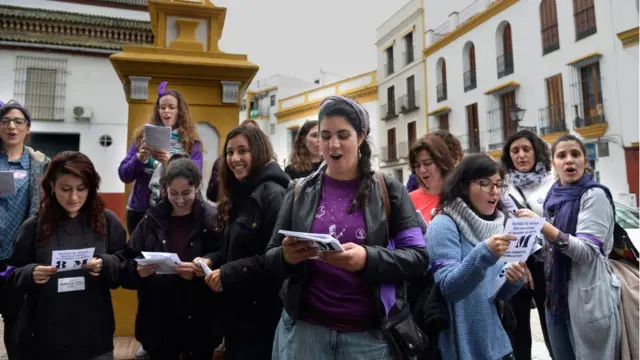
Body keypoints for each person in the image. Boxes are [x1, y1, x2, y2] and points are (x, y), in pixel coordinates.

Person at [264, 95, 428, 360]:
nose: (333, 144)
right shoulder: (297, 191)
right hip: (304, 336)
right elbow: (270, 257)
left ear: (361, 136)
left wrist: (367, 259)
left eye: (343, 135)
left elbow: (418, 258)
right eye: (325, 135)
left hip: (367, 340)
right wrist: (286, 256)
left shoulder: (391, 191)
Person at [9, 151, 127, 359]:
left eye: (81, 189)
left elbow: (126, 266)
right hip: (44, 338)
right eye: (65, 189)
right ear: (52, 187)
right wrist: (30, 274)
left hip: (93, 337)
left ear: (91, 188)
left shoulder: (107, 222)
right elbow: (10, 275)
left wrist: (106, 264)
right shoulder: (33, 226)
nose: (73, 197)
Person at [516, 134, 621, 360]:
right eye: (561, 155)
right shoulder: (553, 196)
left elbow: (586, 252)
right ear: (554, 163)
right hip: (555, 299)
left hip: (588, 301)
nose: (569, 160)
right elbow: (549, 248)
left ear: (585, 161)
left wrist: (540, 224)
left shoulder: (595, 196)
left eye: (575, 154)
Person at [199, 126, 290, 360]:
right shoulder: (241, 193)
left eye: (243, 151)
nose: (234, 159)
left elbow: (279, 258)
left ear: (258, 152)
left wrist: (227, 273)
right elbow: (235, 248)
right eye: (229, 152)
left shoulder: (273, 195)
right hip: (237, 316)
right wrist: (212, 259)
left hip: (261, 320)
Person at [121, 157, 221, 359]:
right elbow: (126, 260)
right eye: (173, 193)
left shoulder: (213, 219)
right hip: (159, 321)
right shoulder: (151, 219)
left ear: (197, 187)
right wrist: (137, 270)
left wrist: (206, 263)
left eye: (186, 193)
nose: (180, 200)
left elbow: (226, 256)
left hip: (200, 321)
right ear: (165, 189)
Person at [427, 153, 525, 360]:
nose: (495, 191)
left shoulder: (499, 224)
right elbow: (450, 288)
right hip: (460, 349)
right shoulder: (443, 226)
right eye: (485, 183)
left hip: (497, 347)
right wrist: (485, 253)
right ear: (463, 186)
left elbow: (495, 295)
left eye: (499, 184)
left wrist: (514, 280)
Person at [0, 101, 50, 358]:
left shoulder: (40, 165)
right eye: (6, 120)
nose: (11, 126)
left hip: (19, 257)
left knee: (15, 321)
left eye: (18, 121)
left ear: (27, 129)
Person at [119, 81, 203, 234]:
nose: (166, 111)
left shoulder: (191, 142)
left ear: (180, 111)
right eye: (162, 107)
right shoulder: (142, 137)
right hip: (141, 210)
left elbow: (197, 176)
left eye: (171, 107)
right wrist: (140, 157)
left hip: (174, 210)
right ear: (157, 110)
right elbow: (124, 174)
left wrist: (171, 163)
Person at [501, 129, 555, 360]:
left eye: (526, 149)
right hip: (517, 262)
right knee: (518, 328)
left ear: (536, 152)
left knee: (553, 325)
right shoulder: (502, 186)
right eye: (515, 151)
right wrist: (519, 262)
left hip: (551, 263)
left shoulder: (553, 182)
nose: (521, 155)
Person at [206, 119, 260, 203]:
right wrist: (225, 176)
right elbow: (211, 194)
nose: (236, 159)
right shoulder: (222, 161)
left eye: (243, 151)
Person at [409, 133, 457, 224]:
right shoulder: (409, 201)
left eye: (427, 163)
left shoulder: (461, 197)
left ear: (442, 163)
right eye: (417, 165)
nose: (422, 170)